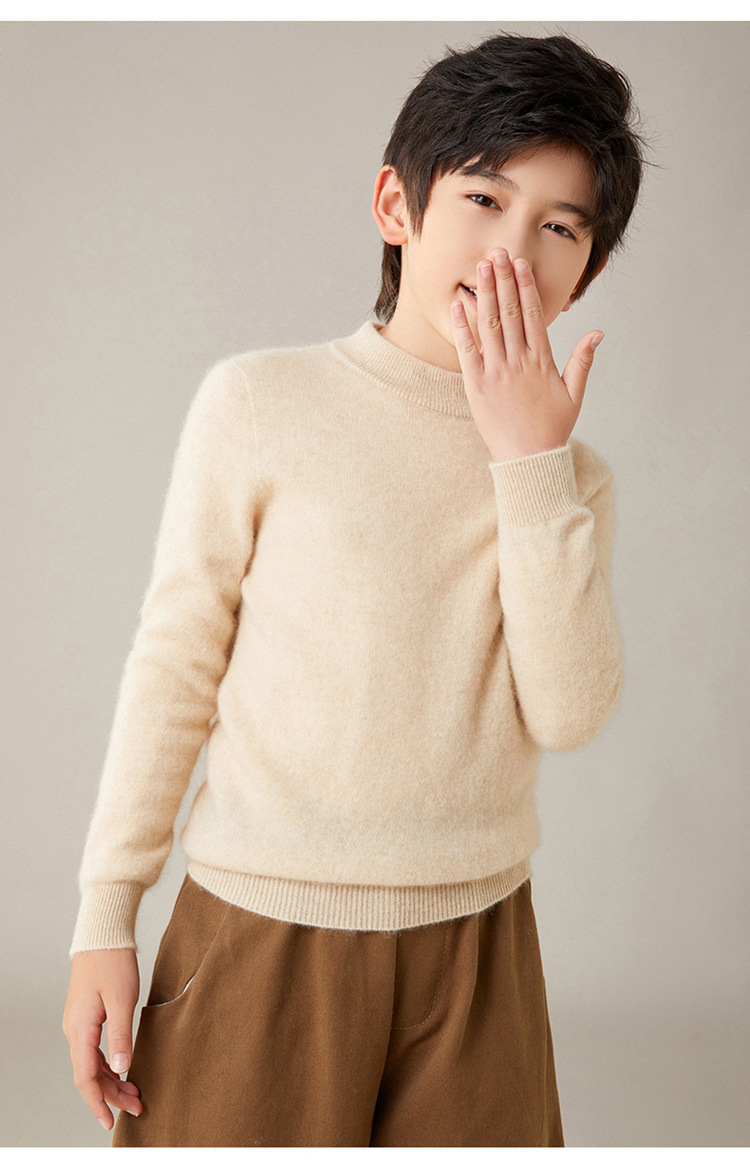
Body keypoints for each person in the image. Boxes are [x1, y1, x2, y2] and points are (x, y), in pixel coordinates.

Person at [63, 30, 645, 1147]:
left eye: (558, 227)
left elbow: (569, 711)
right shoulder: (260, 404)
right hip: (260, 929)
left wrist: (529, 467)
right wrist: (106, 914)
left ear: (589, 270)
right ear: (395, 205)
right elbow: (175, 664)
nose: (511, 251)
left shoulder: (567, 479)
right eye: (483, 198)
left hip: (479, 941)